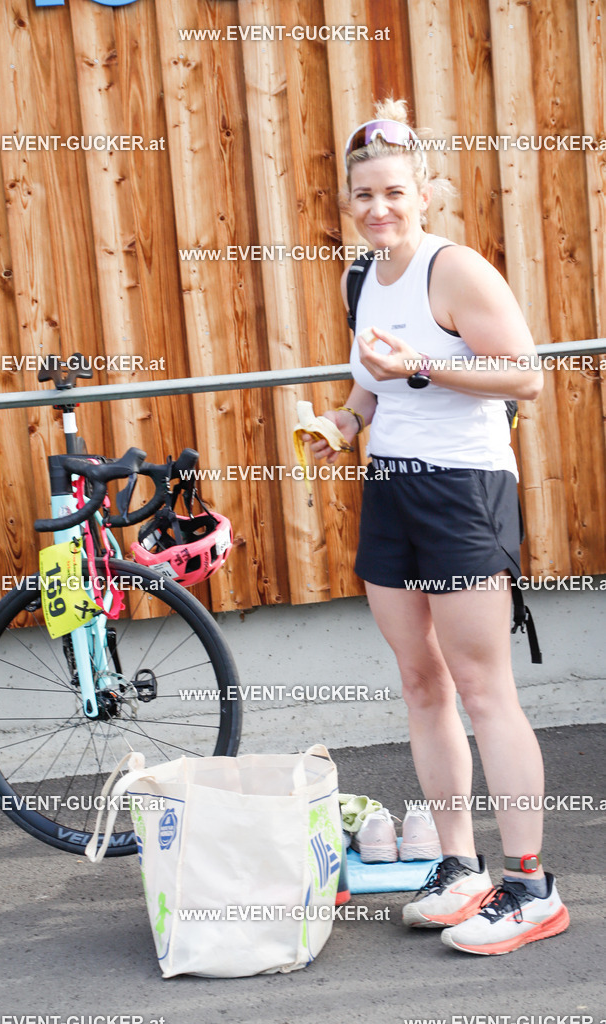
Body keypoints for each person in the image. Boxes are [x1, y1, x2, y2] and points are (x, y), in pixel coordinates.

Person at [308, 99, 570, 955]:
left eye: (393, 191)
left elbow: (523, 377)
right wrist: (340, 427)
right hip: (391, 492)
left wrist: (418, 362)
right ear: (348, 201)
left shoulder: (454, 270)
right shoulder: (360, 277)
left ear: (424, 191)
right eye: (362, 195)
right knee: (423, 685)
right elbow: (369, 390)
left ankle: (531, 884)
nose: (378, 208)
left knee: (485, 689)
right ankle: (460, 869)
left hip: (464, 492)